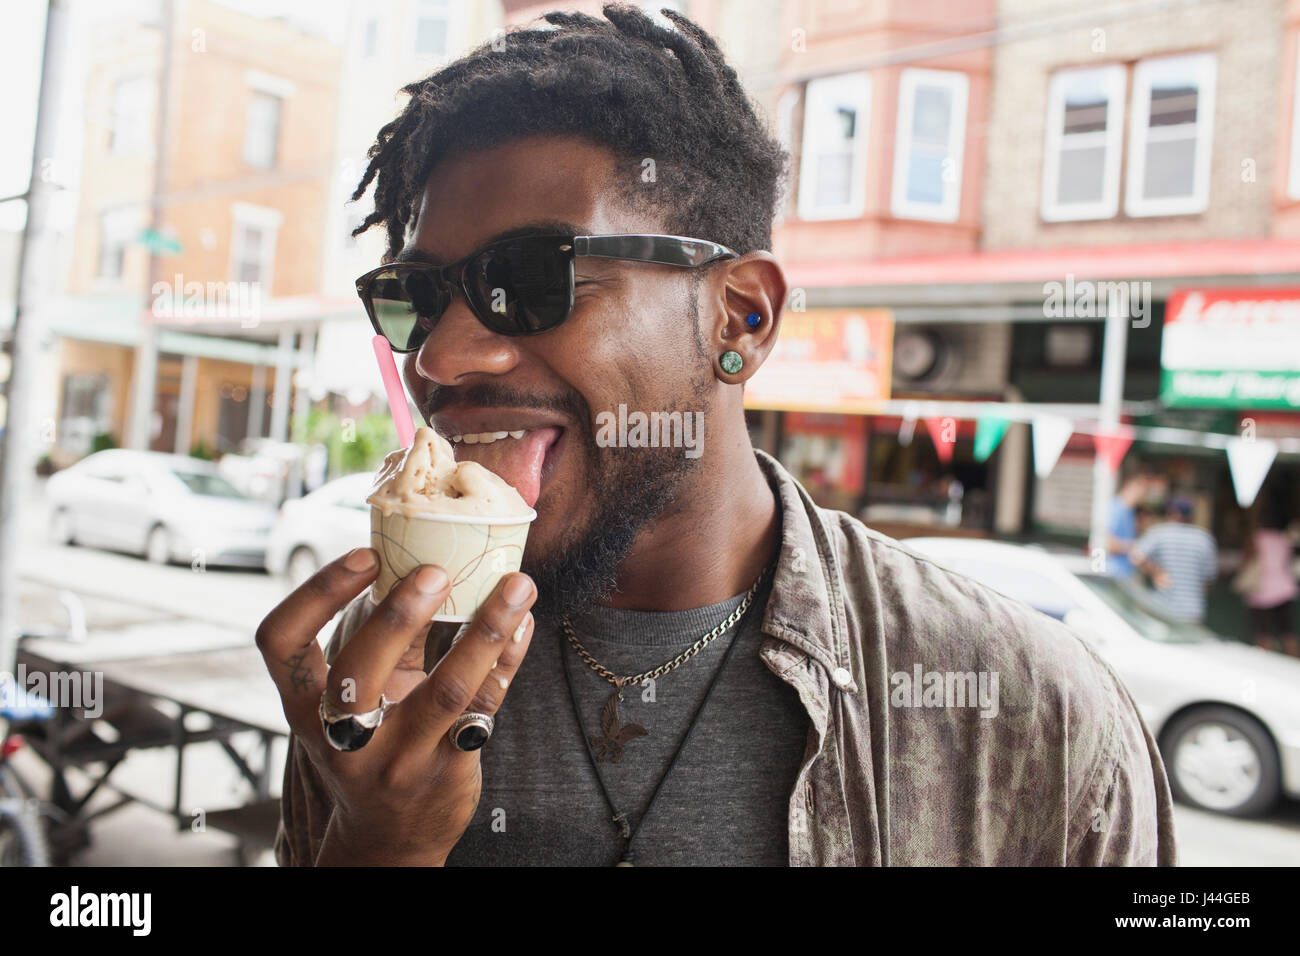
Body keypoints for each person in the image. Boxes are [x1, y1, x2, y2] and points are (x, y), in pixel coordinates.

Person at [257, 5, 1174, 866]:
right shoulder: (387, 673)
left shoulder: (1028, 713)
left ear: (740, 318)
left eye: (530, 280)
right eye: (413, 299)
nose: (446, 359)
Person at [1131, 496, 1218, 624]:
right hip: (1192, 610)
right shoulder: (1204, 538)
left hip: (1163, 606)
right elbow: (1208, 580)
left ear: (1171, 513)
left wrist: (1156, 573)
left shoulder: (1159, 533)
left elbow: (1135, 556)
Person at [1241, 499, 1299, 656]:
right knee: (1288, 633)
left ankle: (1266, 669)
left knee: (1263, 635)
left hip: (1262, 590)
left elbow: (1246, 562)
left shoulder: (1255, 539)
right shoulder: (1285, 539)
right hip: (1285, 588)